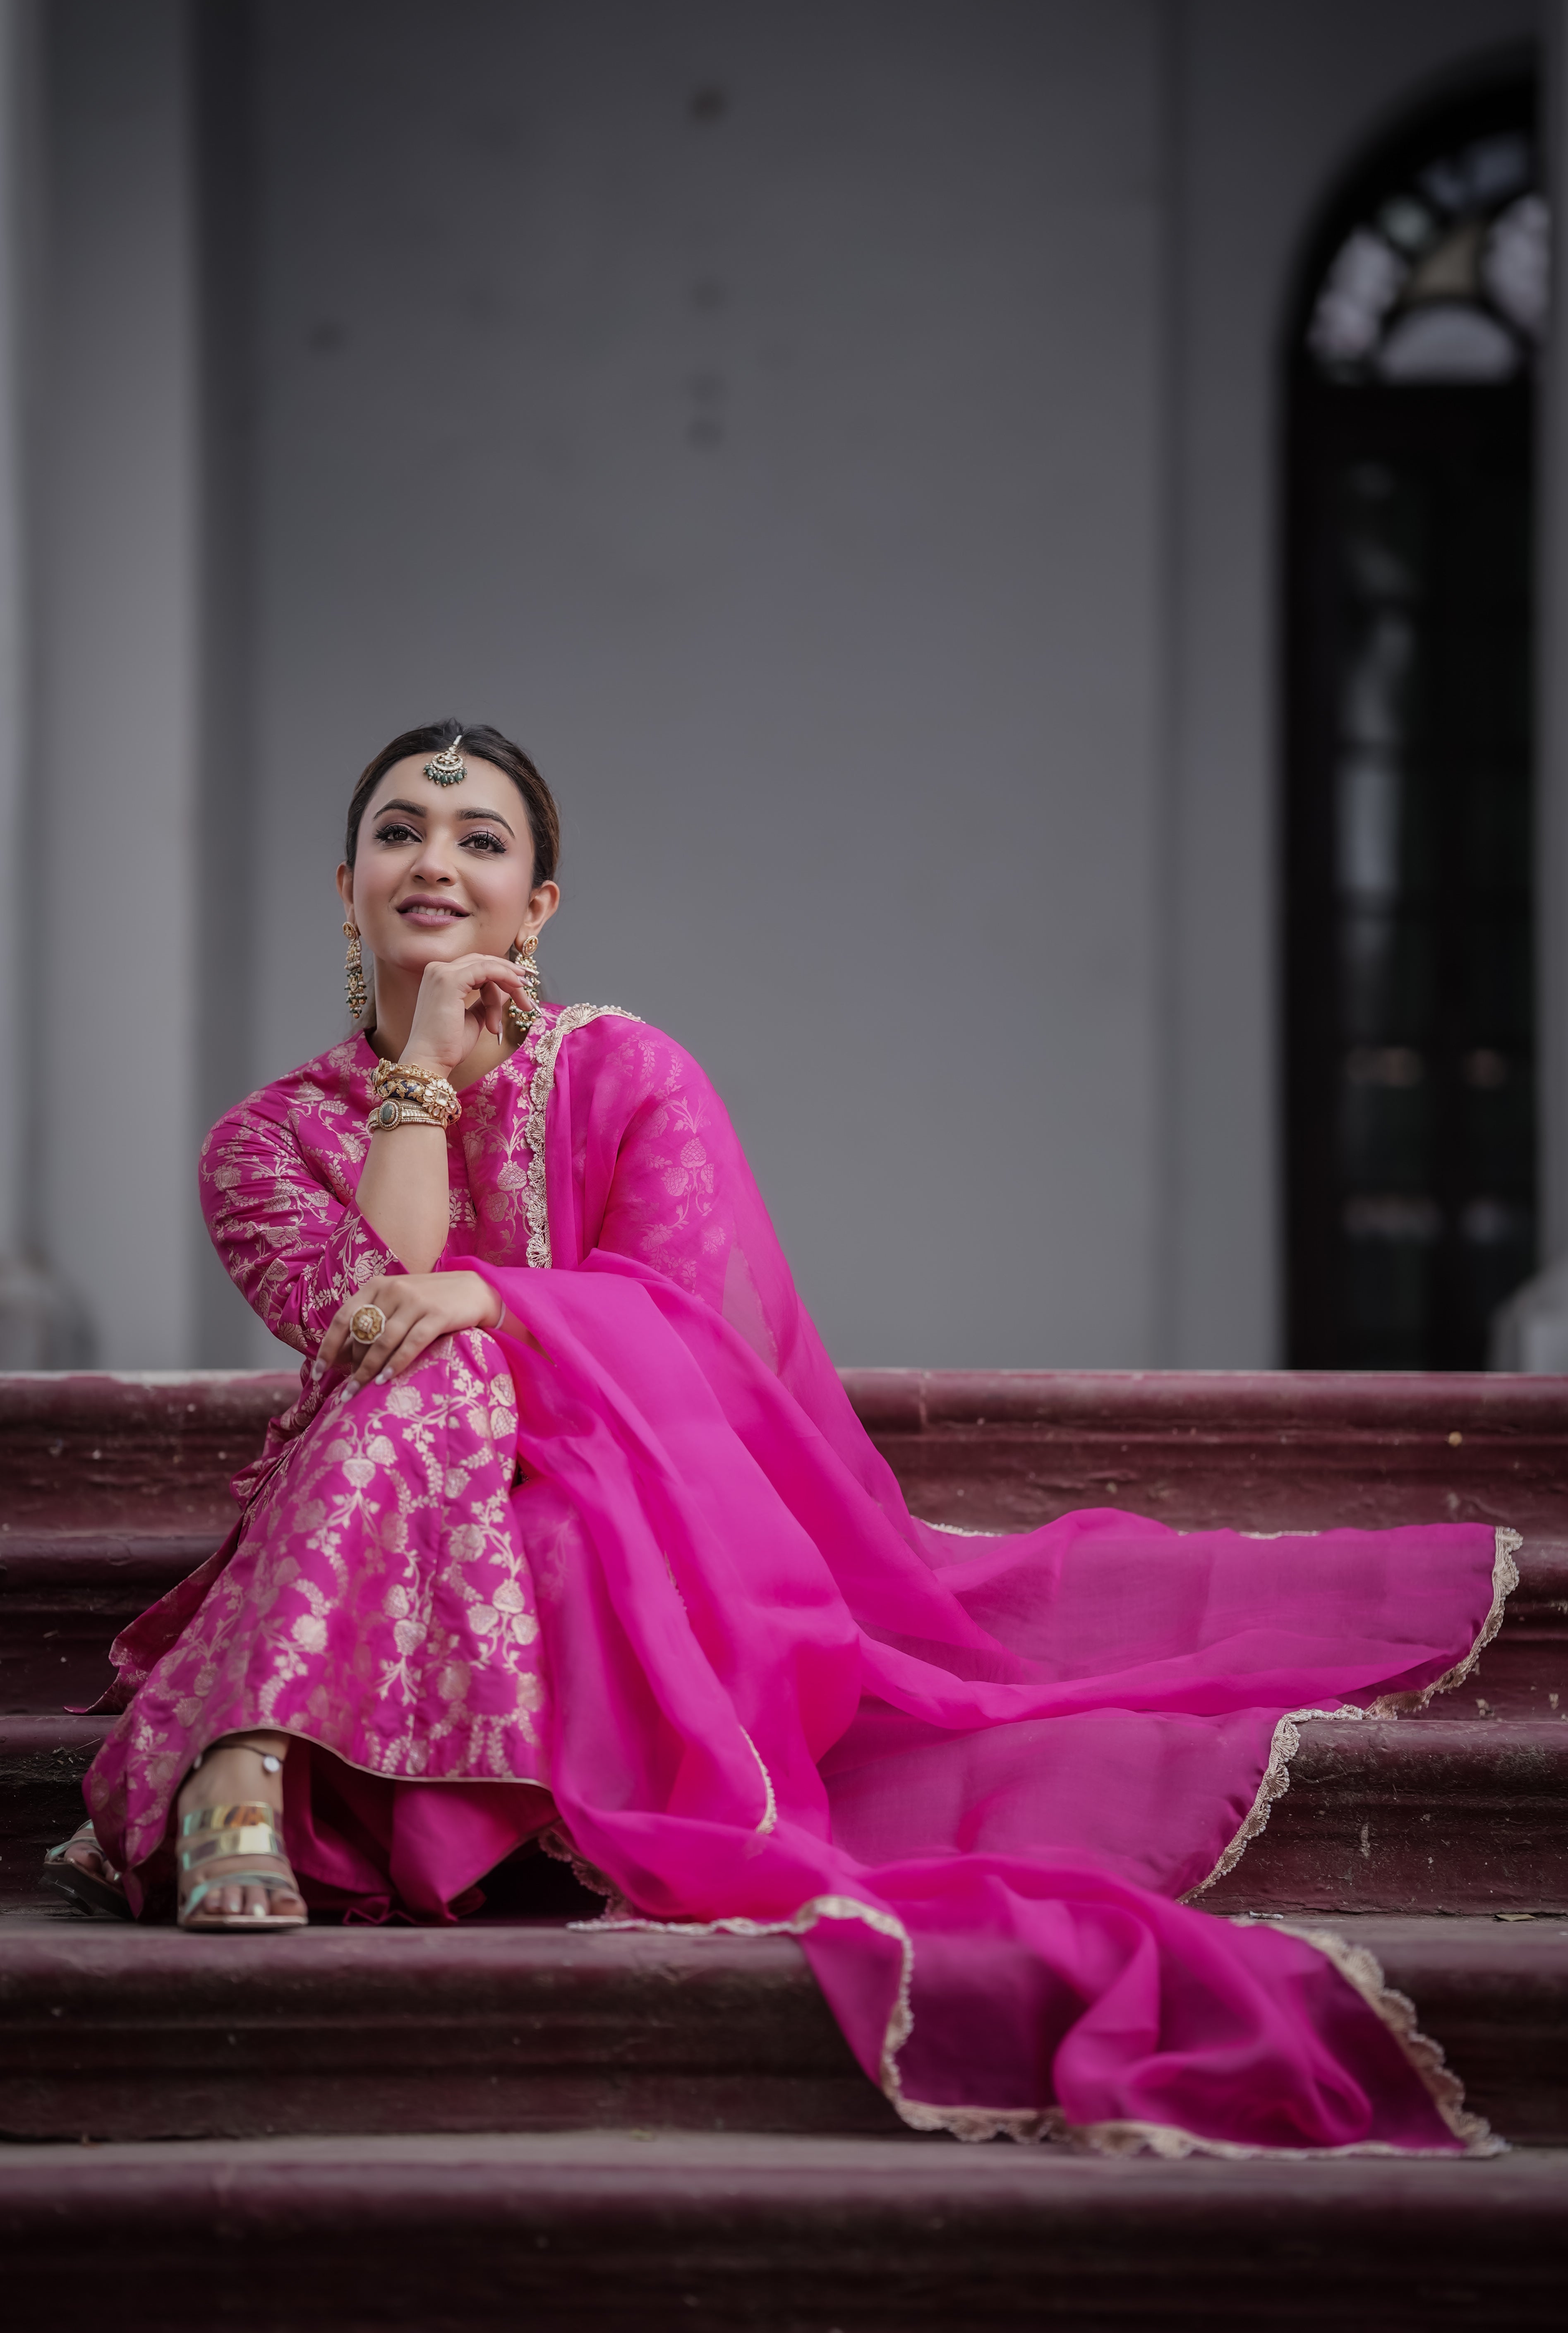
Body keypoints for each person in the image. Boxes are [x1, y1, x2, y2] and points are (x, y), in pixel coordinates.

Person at [46, 718, 1516, 2155]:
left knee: (470, 1363)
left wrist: (493, 1306)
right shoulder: (266, 1138)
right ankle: (252, 1749)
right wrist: (425, 1078)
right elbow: (361, 1313)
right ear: (345, 882)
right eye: (399, 833)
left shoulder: (628, 1077)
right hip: (377, 1531)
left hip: (626, 1518)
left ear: (538, 903)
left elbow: (704, 1363)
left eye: (479, 839)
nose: (436, 861)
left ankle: (244, 1751)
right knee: (422, 1358)